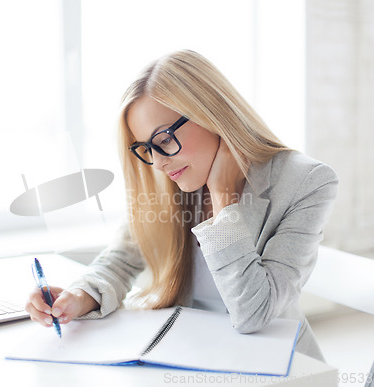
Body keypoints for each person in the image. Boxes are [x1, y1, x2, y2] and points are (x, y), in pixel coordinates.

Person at [25, 49, 338, 361]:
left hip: (275, 366)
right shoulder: (169, 182)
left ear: (211, 114)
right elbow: (120, 260)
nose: (158, 163)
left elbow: (254, 313)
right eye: (146, 148)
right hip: (189, 355)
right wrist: (79, 297)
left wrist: (223, 196)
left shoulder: (306, 181)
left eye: (163, 140)